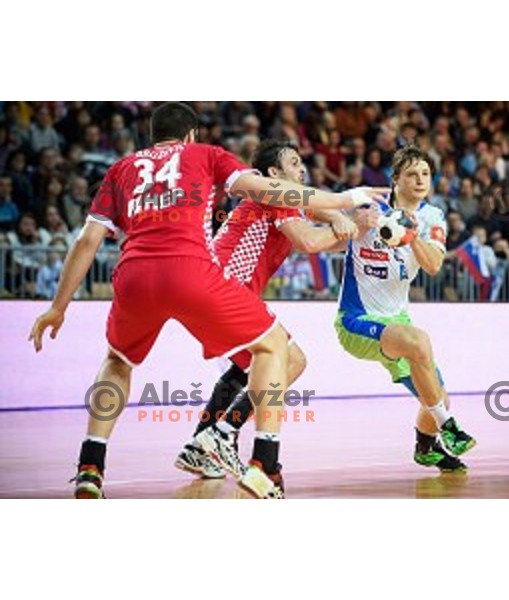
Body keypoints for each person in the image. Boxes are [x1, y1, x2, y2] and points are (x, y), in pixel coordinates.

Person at [28, 102, 379, 500]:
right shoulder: (208, 155)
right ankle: (260, 462)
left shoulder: (121, 168)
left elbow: (87, 240)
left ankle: (91, 465)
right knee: (278, 352)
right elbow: (285, 211)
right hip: (198, 273)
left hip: (133, 274)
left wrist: (58, 306)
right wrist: (344, 199)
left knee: (118, 361)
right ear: (192, 134)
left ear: (152, 136)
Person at [176, 139, 376, 480]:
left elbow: (317, 219)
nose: (303, 169)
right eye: (295, 163)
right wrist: (352, 223)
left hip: (208, 289)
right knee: (290, 360)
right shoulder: (274, 193)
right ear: (274, 173)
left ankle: (199, 446)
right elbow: (310, 241)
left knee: (250, 368)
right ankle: (223, 434)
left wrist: (353, 227)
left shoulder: (282, 200)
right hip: (227, 287)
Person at [334, 145, 477, 473]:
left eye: (425, 174)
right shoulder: (369, 205)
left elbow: (433, 265)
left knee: (438, 396)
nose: (420, 180)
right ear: (395, 179)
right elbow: (320, 212)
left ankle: (426, 448)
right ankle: (450, 428)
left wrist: (412, 236)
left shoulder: (433, 217)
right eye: (411, 174)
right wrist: (349, 218)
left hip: (397, 320)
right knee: (418, 342)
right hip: (356, 320)